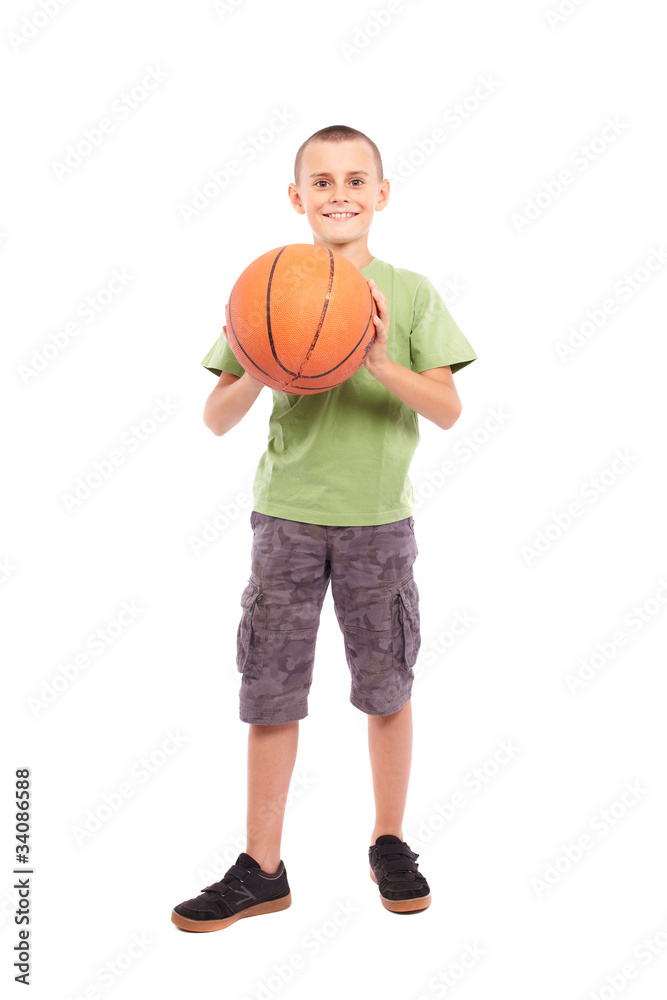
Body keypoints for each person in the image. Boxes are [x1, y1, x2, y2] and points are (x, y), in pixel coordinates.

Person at [171, 125, 477, 932]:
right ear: (295, 197)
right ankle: (261, 868)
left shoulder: (408, 292)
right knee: (269, 690)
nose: (337, 193)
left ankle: (388, 840)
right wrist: (250, 358)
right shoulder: (267, 287)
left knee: (386, 687)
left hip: (379, 523)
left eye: (354, 180)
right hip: (286, 520)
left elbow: (447, 410)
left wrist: (378, 360)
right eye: (320, 181)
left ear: (380, 194)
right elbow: (214, 417)